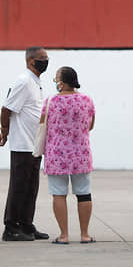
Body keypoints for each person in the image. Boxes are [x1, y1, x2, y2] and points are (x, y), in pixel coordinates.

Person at [0, 47, 50, 241]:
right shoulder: (23, 81)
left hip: (34, 143)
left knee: (31, 187)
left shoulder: (36, 82)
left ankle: (26, 224)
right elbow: (6, 109)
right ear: (30, 61)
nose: (45, 62)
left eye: (47, 58)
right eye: (42, 59)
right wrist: (4, 131)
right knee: (19, 186)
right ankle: (11, 226)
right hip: (22, 144)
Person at [43, 66, 95, 244]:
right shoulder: (86, 100)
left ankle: (64, 235)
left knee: (58, 194)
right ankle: (85, 234)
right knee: (84, 193)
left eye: (57, 78)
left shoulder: (50, 101)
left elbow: (42, 124)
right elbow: (90, 125)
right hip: (80, 153)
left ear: (62, 82)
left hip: (56, 154)